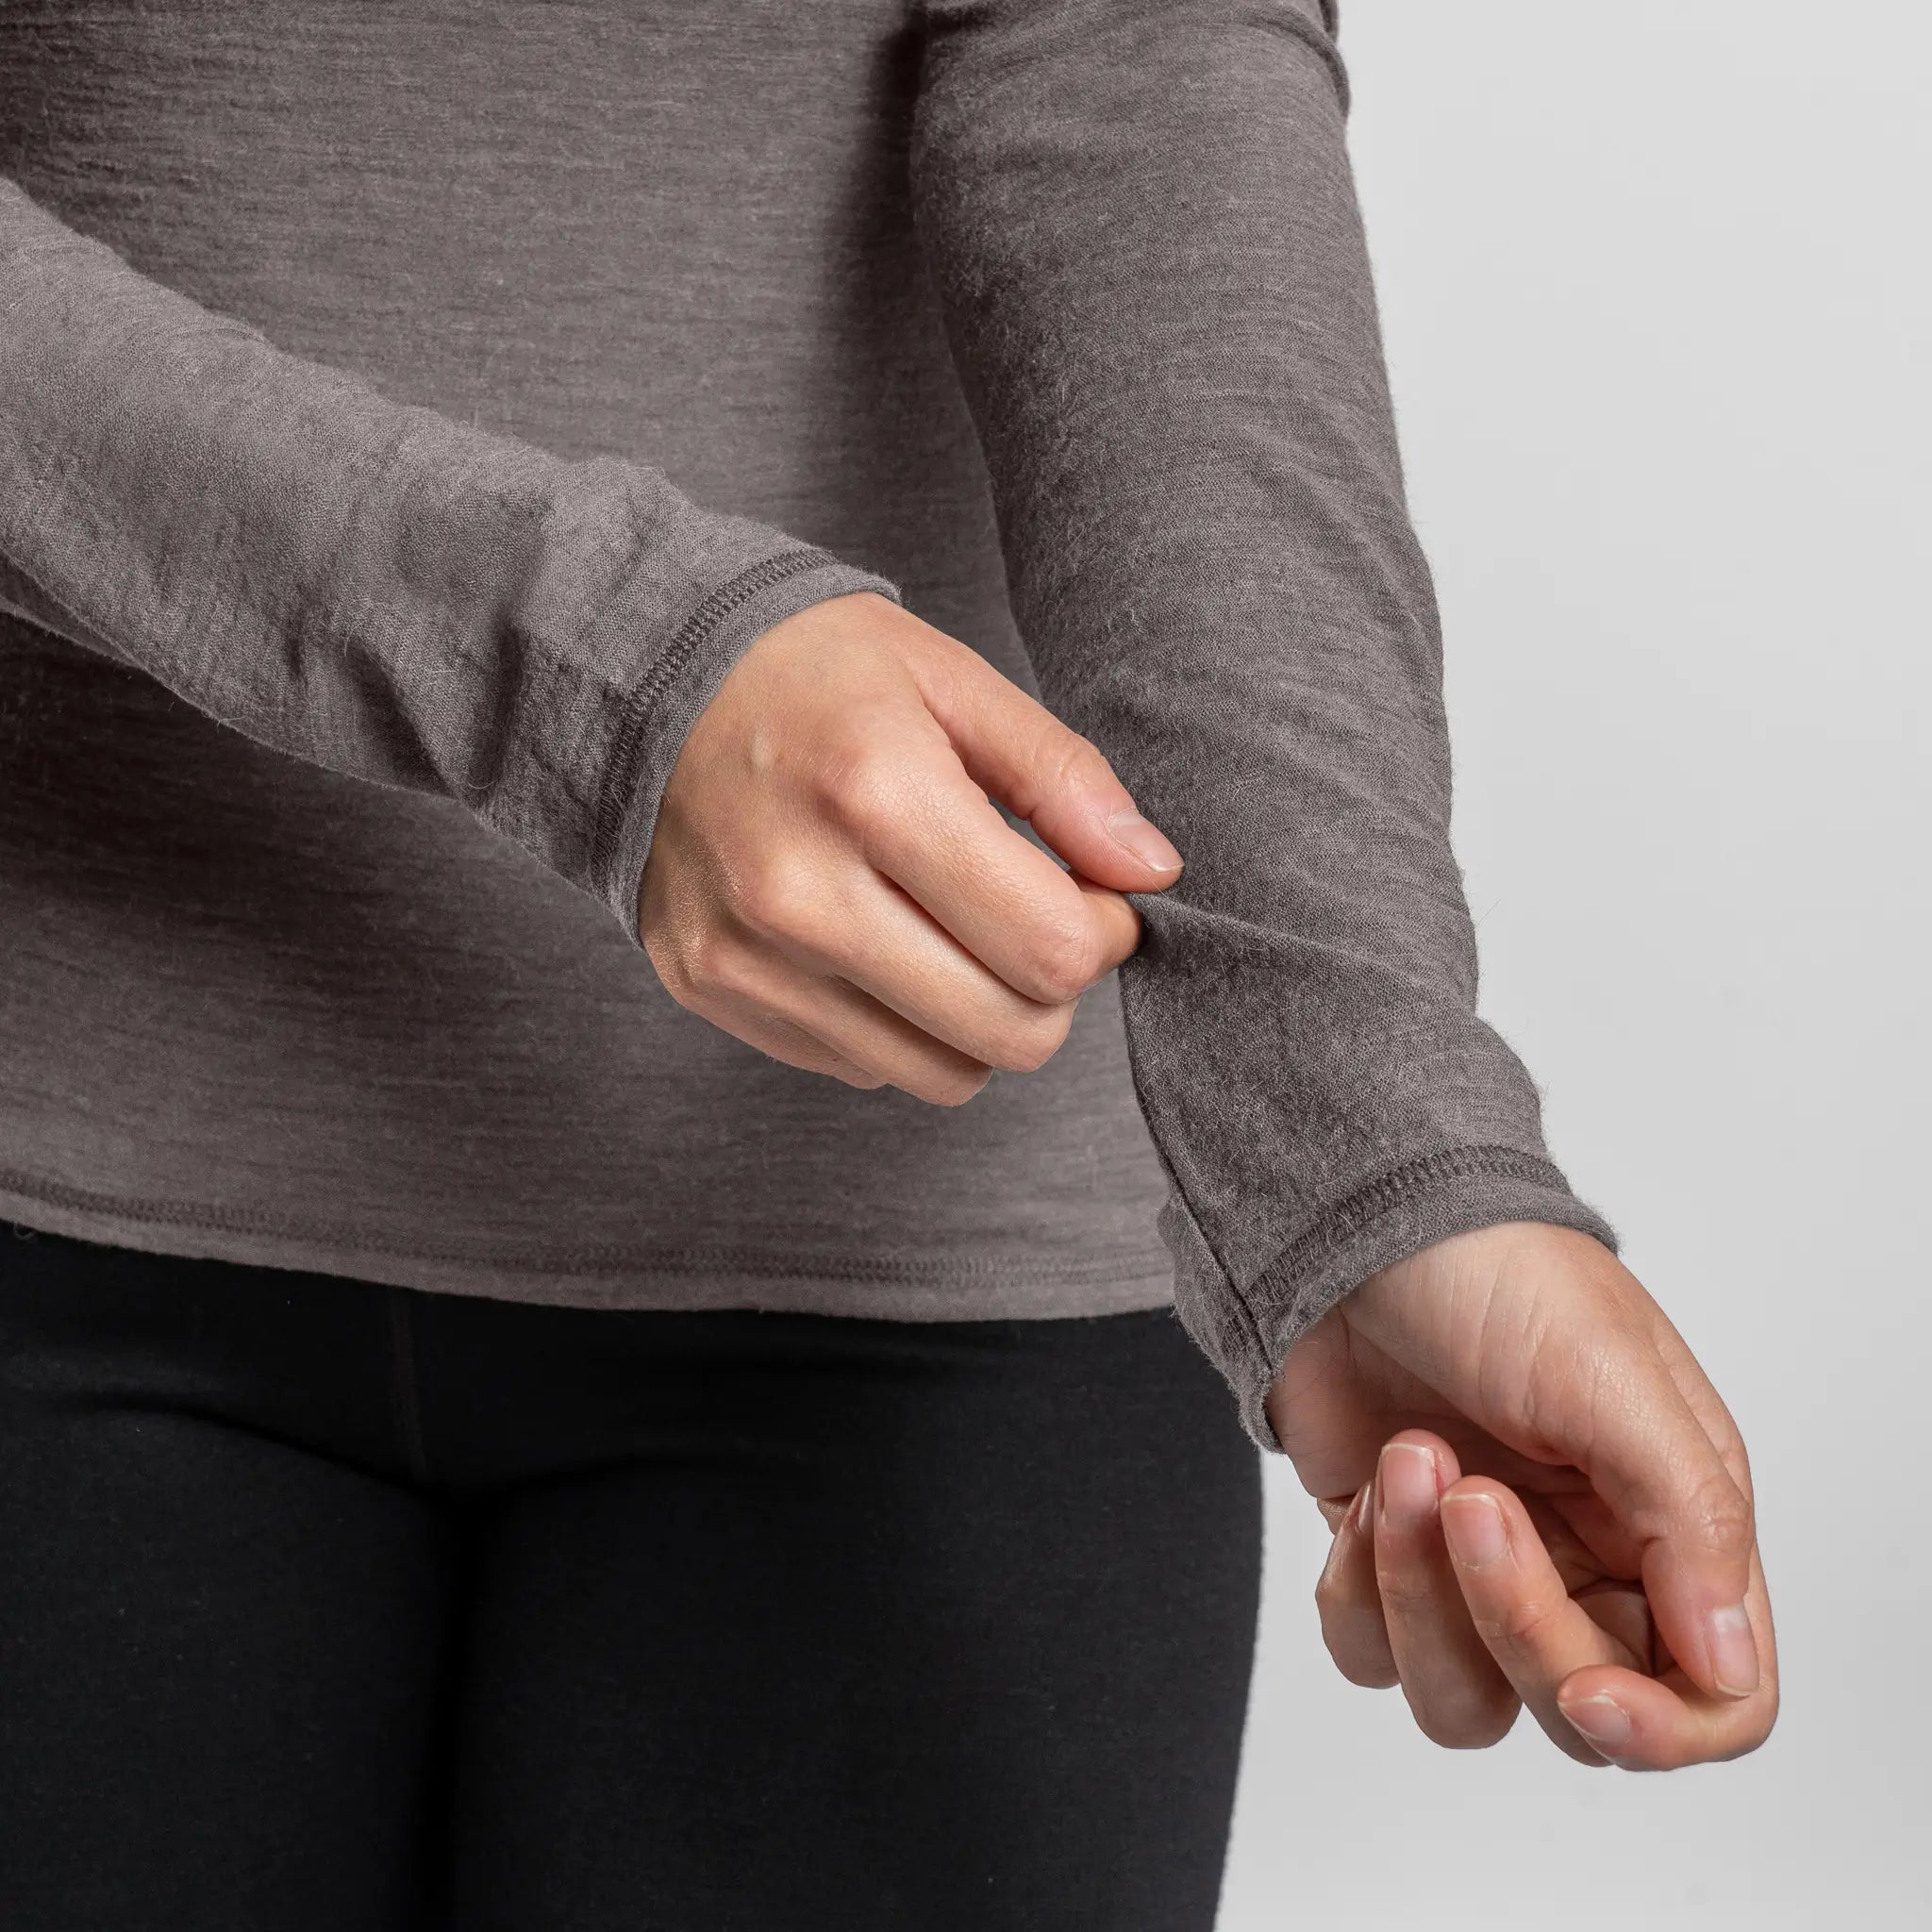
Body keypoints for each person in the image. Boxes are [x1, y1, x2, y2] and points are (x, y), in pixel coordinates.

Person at [0, 2, 1776, 1927]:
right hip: (55, 1175)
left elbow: (1136, 77)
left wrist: (1365, 1137)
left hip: (929, 1260)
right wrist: (593, 670)